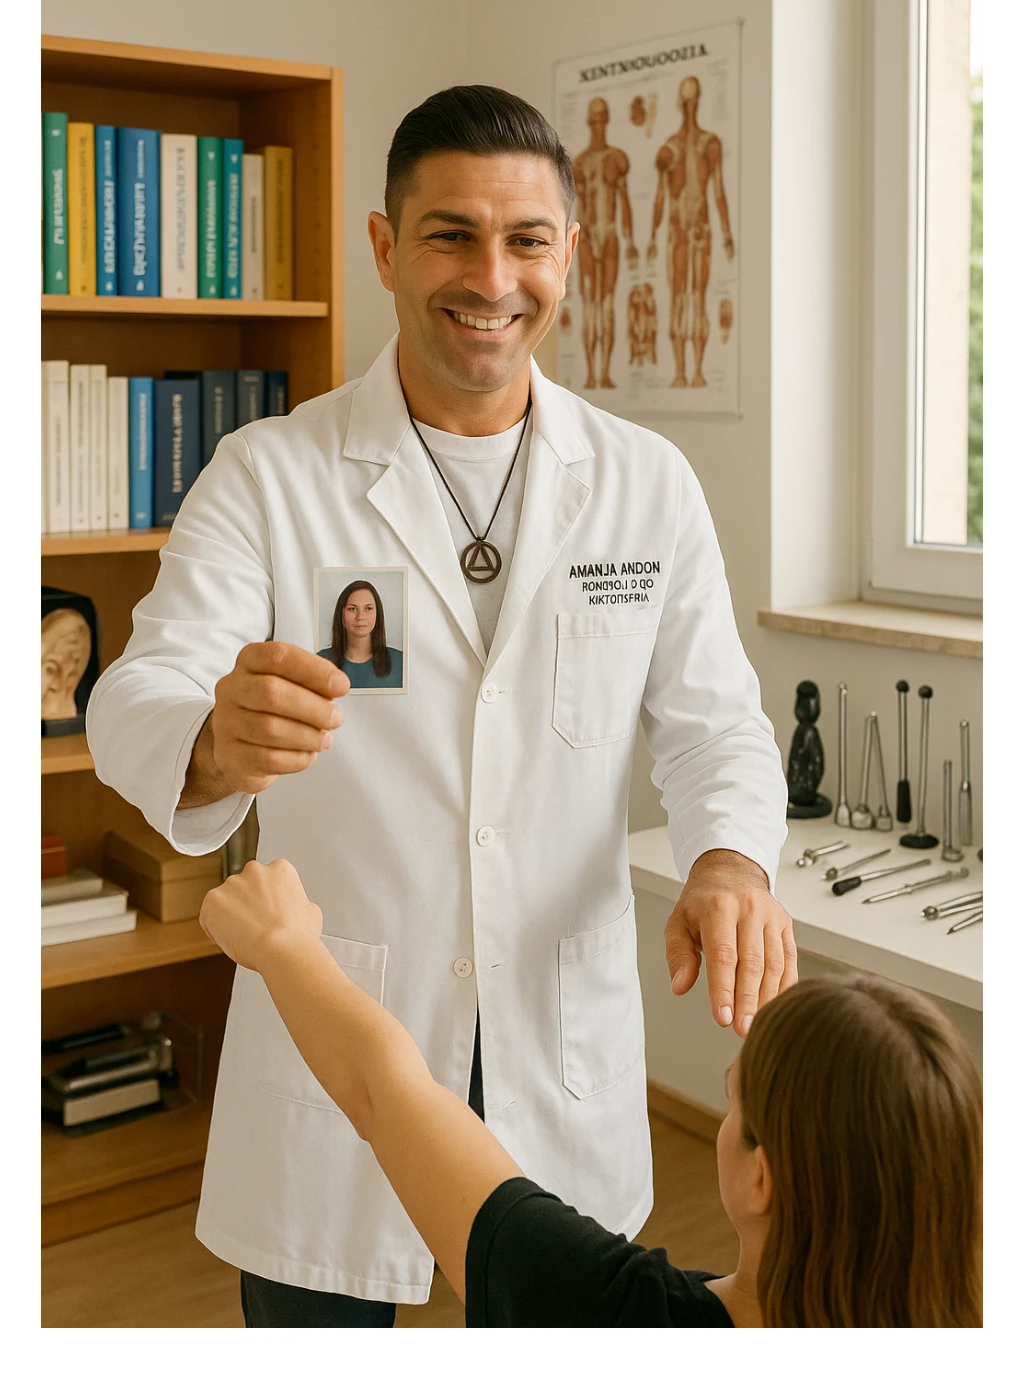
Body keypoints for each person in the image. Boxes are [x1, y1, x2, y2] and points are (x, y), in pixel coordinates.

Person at [86, 83, 792, 1327]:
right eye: (449, 234)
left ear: (569, 253)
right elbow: (134, 690)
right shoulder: (270, 474)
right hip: (342, 1028)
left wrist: (730, 859)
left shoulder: (645, 486)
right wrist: (208, 740)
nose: (492, 276)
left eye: (525, 240)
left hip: (551, 1035)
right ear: (383, 247)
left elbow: (713, 721)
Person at [199, 856, 983, 1328]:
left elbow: (385, 1090)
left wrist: (282, 942)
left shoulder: (606, 1312)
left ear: (761, 1177)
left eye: (732, 1101)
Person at [647, 76, 735, 389]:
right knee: (680, 299)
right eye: (689, 100)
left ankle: (695, 371)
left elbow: (719, 191)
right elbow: (659, 196)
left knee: (695, 298)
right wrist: (652, 237)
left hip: (698, 229)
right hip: (678, 232)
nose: (690, 105)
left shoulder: (708, 145)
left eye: (692, 100)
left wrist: (726, 233)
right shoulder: (668, 150)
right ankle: (682, 372)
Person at [572, 97, 639, 390]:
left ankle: (605, 372)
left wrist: (631, 240)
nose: (598, 122)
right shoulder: (579, 164)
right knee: (590, 305)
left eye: (601, 117)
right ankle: (591, 374)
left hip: (609, 234)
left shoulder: (616, 159)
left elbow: (624, 203)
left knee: (607, 303)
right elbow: (574, 208)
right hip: (587, 237)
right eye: (595, 117)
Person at [317, 579, 404, 689]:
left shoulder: (401, 662)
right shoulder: (321, 662)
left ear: (378, 614)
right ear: (341, 616)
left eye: (368, 608)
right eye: (352, 609)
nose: (360, 617)